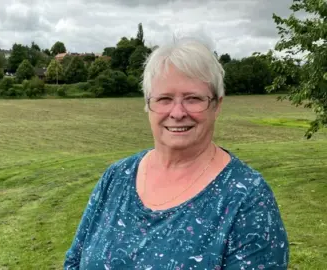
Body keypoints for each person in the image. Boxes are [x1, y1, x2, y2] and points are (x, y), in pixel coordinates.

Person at [63, 37, 289, 269]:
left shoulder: (247, 198)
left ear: (217, 105)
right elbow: (74, 261)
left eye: (193, 99)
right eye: (164, 99)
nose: (178, 112)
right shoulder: (116, 177)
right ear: (148, 105)